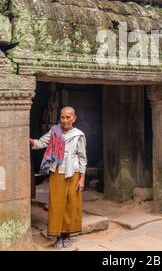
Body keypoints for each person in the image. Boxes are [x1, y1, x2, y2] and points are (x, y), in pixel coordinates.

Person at [30, 106, 87, 250]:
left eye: (68, 117)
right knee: (56, 205)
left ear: (74, 118)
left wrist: (82, 178)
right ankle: (58, 236)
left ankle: (66, 235)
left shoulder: (78, 135)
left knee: (71, 204)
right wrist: (29, 140)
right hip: (57, 172)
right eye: (62, 117)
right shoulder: (54, 131)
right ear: (60, 118)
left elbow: (82, 158)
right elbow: (41, 143)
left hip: (73, 174)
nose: (65, 120)